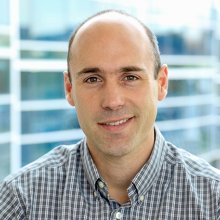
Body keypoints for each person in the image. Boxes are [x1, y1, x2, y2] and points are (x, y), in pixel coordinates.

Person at [0, 9, 220, 220]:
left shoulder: (213, 201)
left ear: (161, 83)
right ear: (69, 89)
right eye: (93, 79)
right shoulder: (20, 201)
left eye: (130, 77)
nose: (113, 101)